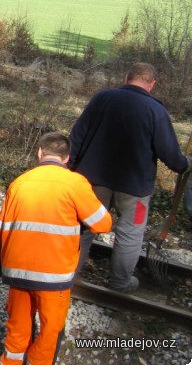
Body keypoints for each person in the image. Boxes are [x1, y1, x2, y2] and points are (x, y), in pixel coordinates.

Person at [0, 132, 111, 365]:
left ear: (40, 153)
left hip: (17, 273)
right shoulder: (76, 183)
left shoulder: (19, 182)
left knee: (17, 330)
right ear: (67, 158)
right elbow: (103, 224)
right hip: (54, 277)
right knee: (49, 331)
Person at [70, 62, 190, 293]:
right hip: (134, 188)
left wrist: (70, 168)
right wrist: (184, 165)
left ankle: (69, 272)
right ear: (151, 84)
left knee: (85, 226)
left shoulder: (102, 98)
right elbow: (170, 153)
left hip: (93, 181)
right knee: (130, 232)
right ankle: (120, 282)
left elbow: (77, 135)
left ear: (127, 78)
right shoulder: (156, 110)